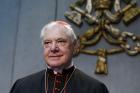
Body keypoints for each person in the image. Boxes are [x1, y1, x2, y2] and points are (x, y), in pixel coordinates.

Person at [10, 20, 109, 93]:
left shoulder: (95, 89)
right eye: (47, 42)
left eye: (61, 41)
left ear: (74, 45)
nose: (53, 48)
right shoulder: (22, 86)